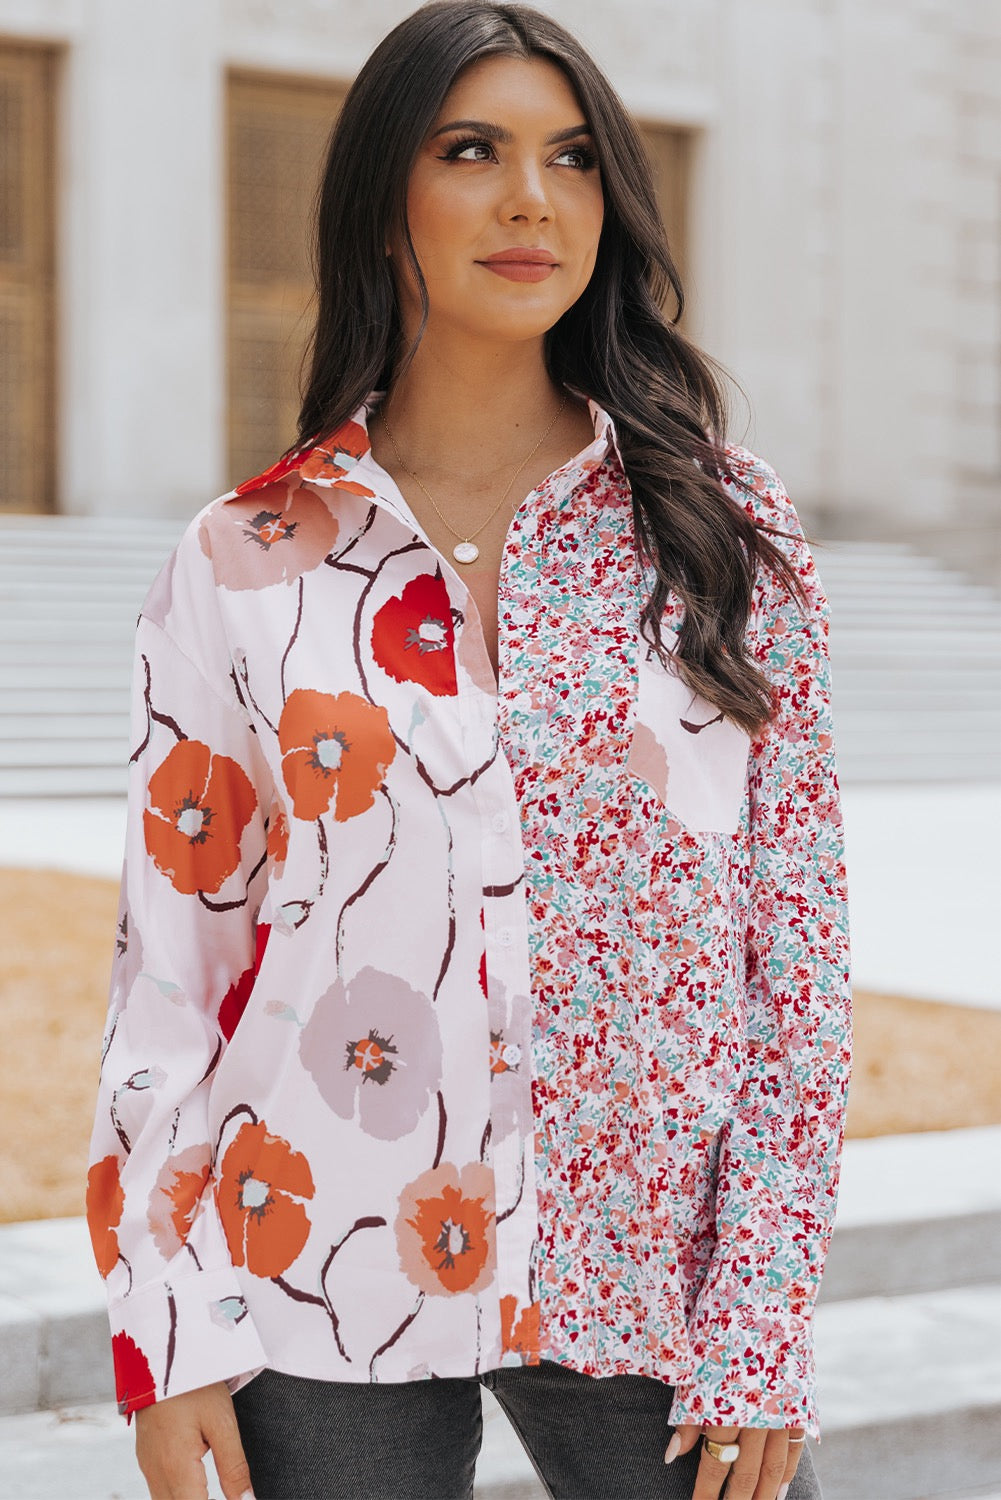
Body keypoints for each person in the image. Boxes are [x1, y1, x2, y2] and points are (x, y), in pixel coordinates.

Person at [85, 4, 852, 1497]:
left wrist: (760, 1314)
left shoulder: (722, 531)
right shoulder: (246, 557)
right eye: (472, 152)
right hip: (317, 1259)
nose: (531, 200)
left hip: (654, 1273)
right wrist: (160, 1319)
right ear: (384, 202)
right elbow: (171, 971)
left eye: (572, 159)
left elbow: (797, 958)